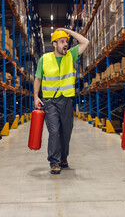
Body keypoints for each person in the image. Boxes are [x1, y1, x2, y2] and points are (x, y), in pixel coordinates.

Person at [34, 28, 89, 174]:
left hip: (66, 100)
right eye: (62, 41)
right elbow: (38, 78)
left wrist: (67, 31)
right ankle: (54, 162)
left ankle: (63, 157)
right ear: (54, 44)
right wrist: (35, 96)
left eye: (67, 42)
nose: (66, 44)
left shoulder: (71, 55)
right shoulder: (44, 59)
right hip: (50, 101)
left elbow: (85, 42)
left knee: (66, 131)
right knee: (54, 131)